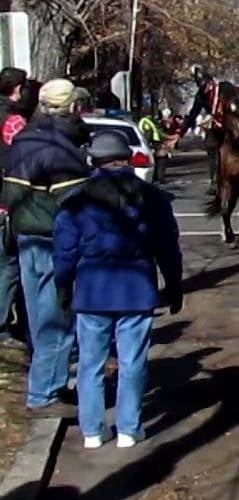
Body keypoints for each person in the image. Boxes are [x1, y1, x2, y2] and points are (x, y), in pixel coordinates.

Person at [53, 131, 183, 448]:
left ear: (93, 161)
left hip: (92, 287)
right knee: (132, 360)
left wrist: (63, 284)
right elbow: (168, 246)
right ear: (127, 158)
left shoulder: (77, 200)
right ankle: (129, 428)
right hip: (136, 286)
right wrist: (174, 284)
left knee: (90, 363)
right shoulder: (151, 197)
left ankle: (93, 431)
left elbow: (64, 251)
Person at [1, 79, 92, 414]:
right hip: (56, 238)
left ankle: (45, 386)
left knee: (39, 318)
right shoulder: (63, 149)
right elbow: (77, 202)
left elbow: (10, 195)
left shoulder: (24, 140)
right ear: (71, 107)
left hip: (26, 238)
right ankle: (44, 395)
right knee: (57, 319)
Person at [0, 68, 27, 344]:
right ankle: (3, 325)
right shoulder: (13, 120)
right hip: (7, 202)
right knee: (9, 266)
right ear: (17, 88)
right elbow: (22, 158)